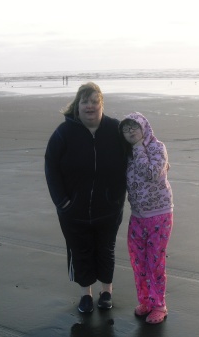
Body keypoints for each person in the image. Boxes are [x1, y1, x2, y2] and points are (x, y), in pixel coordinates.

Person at [44, 82, 127, 313]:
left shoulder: (115, 130)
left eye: (94, 101)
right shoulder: (64, 133)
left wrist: (161, 160)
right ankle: (86, 295)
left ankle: (106, 291)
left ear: (102, 104)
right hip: (73, 210)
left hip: (109, 208)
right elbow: (50, 166)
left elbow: (138, 151)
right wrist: (62, 202)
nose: (89, 106)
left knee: (105, 249)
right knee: (79, 251)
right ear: (77, 105)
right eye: (84, 101)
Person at [119, 112, 173, 324]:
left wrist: (140, 147)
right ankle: (146, 301)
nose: (131, 131)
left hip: (159, 215)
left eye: (135, 127)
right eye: (126, 128)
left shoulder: (157, 147)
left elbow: (152, 173)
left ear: (145, 128)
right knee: (138, 260)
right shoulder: (127, 152)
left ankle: (159, 305)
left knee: (154, 262)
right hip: (138, 216)